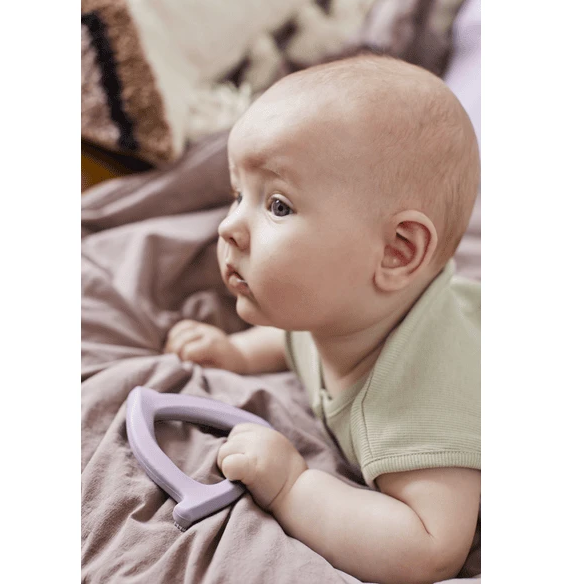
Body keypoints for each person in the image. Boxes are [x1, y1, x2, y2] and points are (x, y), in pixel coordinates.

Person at [165, 53, 480, 584]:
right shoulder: (341, 311)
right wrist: (239, 352)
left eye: (278, 206)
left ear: (397, 251)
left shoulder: (426, 403)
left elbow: (430, 548)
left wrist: (293, 487)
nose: (228, 228)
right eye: (239, 195)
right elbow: (298, 339)